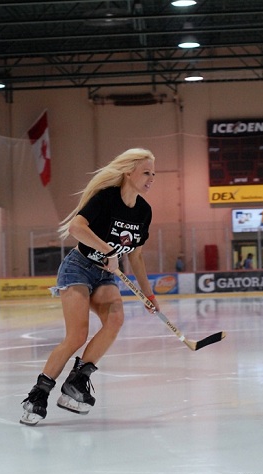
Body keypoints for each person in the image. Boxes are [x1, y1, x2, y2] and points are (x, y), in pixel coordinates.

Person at [20, 148, 159, 426]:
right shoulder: (106, 199)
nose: (151, 178)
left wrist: (148, 293)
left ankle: (78, 380)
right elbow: (76, 228)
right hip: (78, 268)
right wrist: (109, 250)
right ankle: (38, 394)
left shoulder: (144, 211)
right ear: (128, 172)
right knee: (77, 335)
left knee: (115, 319)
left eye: (153, 174)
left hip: (105, 276)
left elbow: (137, 255)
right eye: (146, 172)